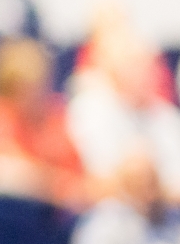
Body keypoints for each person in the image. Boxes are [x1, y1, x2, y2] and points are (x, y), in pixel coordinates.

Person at [66, 10, 180, 204]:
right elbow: (97, 180)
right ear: (113, 72)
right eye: (134, 66)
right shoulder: (90, 111)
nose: (145, 73)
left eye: (149, 65)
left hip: (165, 216)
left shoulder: (166, 116)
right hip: (111, 211)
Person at [0, 38, 88, 209]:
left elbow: (77, 170)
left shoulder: (54, 113)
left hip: (61, 212)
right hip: (19, 213)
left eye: (41, 85)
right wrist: (55, 183)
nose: (36, 95)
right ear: (9, 88)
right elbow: (13, 170)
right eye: (26, 88)